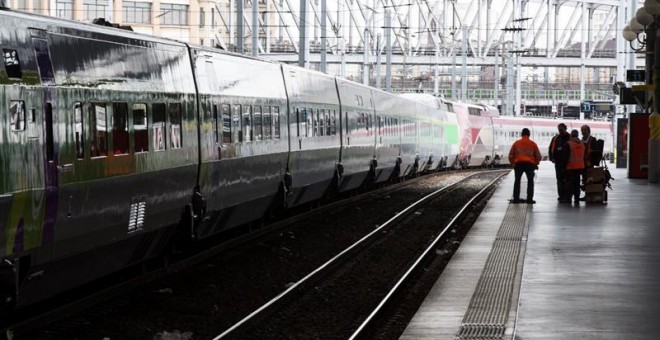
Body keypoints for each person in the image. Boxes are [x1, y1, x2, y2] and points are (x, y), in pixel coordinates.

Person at [508, 128, 542, 204]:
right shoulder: (532, 144)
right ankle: (529, 199)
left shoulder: (516, 143)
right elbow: (538, 156)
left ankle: (516, 199)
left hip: (518, 164)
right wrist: (535, 164)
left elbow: (511, 155)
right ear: (529, 134)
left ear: (521, 134)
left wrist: (513, 163)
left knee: (517, 181)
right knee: (530, 181)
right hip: (529, 165)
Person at [562, 129, 586, 204]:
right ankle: (577, 198)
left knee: (569, 184)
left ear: (571, 135)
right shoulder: (582, 144)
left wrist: (563, 167)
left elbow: (565, 157)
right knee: (577, 183)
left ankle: (568, 199)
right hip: (580, 167)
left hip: (570, 167)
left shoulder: (568, 144)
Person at [548, 123, 570, 201]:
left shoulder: (570, 137)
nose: (560, 131)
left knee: (567, 179)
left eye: (561, 130)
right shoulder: (556, 138)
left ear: (565, 129)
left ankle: (567, 196)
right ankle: (561, 195)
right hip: (558, 162)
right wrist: (551, 158)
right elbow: (550, 148)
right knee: (559, 179)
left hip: (568, 163)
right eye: (559, 130)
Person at [579, 124, 600, 200]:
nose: (584, 132)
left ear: (589, 131)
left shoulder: (592, 140)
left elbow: (596, 151)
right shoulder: (581, 141)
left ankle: (589, 194)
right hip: (582, 163)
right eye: (582, 131)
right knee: (584, 179)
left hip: (589, 163)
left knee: (589, 179)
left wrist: (590, 153)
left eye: (585, 130)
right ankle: (586, 194)